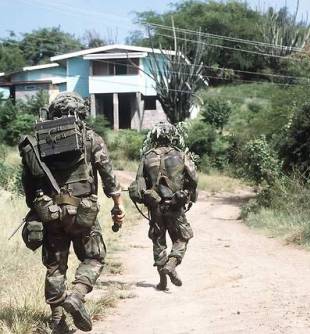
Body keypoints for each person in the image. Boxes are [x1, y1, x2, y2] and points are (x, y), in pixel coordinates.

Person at [18, 92, 125, 333]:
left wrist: (36, 211)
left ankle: (58, 322)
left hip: (50, 214)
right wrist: (118, 206)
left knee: (55, 267)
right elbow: (109, 178)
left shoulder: (36, 143)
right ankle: (76, 295)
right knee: (94, 258)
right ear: (81, 113)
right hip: (83, 214)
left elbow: (28, 185)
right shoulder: (91, 138)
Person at [129, 122, 198, 291]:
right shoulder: (181, 155)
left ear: (154, 136)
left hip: (155, 207)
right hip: (175, 205)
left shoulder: (146, 157)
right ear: (173, 136)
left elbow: (139, 184)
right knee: (182, 237)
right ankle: (172, 264)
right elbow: (194, 179)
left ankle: (162, 281)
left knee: (158, 242)